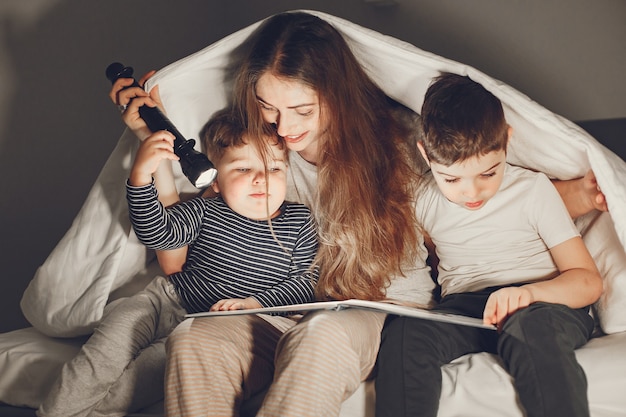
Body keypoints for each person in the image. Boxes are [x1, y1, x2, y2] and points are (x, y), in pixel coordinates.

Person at [108, 11, 607, 417]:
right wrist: (148, 143)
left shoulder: (401, 144)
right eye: (268, 107)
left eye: (301, 111)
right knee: (195, 339)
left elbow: (479, 195)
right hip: (287, 309)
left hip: (377, 316)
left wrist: (579, 195)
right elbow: (176, 259)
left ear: (336, 95)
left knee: (322, 335)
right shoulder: (260, 156)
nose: (282, 128)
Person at [37, 108, 319, 417]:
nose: (261, 179)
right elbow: (156, 233)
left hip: (203, 330)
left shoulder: (299, 222)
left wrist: (255, 302)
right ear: (215, 181)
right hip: (162, 302)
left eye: (275, 168)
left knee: (136, 385)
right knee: (100, 359)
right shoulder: (205, 210)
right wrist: (142, 175)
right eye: (242, 169)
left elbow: (305, 283)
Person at [375, 73, 603, 417]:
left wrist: (530, 295)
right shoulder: (422, 202)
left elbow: (588, 281)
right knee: (406, 330)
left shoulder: (532, 190)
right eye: (452, 179)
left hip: (543, 307)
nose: (471, 192)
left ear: (507, 142)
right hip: (467, 309)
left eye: (488, 173)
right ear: (425, 154)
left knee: (530, 327)